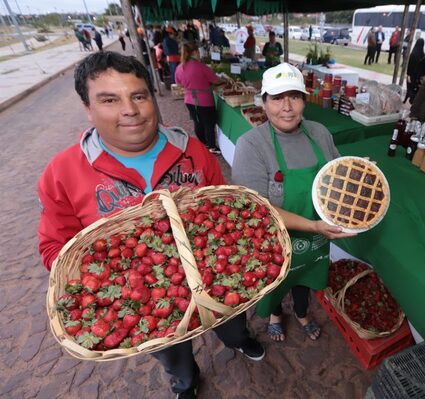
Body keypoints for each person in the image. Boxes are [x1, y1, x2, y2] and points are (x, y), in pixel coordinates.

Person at [37, 51, 265, 399]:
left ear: (152, 98)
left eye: (138, 96)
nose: (129, 109)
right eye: (110, 100)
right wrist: (111, 279)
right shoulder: (62, 172)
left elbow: (222, 208)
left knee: (232, 319)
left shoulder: (193, 150)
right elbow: (55, 248)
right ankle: (185, 383)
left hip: (214, 277)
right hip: (143, 301)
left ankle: (238, 340)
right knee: (171, 352)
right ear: (88, 108)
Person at [232, 63, 355, 342]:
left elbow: (336, 174)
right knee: (275, 280)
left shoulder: (319, 133)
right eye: (277, 98)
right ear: (263, 102)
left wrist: (354, 173)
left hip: (315, 236)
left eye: (295, 96)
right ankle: (276, 314)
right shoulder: (251, 145)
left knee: (305, 276)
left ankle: (301, 312)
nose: (287, 107)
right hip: (275, 236)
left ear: (304, 100)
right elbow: (257, 209)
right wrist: (313, 225)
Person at [175, 42, 226, 154]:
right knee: (209, 123)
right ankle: (212, 146)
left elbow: (178, 83)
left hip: (189, 100)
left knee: (197, 122)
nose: (199, 54)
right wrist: (224, 80)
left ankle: (204, 144)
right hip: (204, 100)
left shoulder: (180, 67)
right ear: (194, 52)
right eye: (198, 52)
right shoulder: (201, 67)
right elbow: (215, 80)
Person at [404, 38, 425, 104]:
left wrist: (408, 74)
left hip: (411, 75)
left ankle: (406, 98)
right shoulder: (423, 55)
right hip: (418, 76)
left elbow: (409, 65)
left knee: (409, 88)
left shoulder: (413, 54)